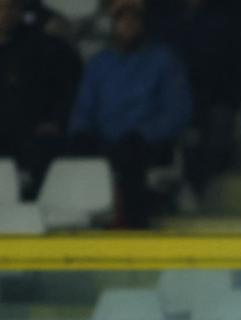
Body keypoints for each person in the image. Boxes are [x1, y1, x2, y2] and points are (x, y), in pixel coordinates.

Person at [68, 0, 192, 228]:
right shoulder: (98, 64)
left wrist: (144, 134)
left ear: (143, 24)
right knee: (74, 152)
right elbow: (83, 109)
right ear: (113, 24)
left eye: (134, 19)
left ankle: (133, 229)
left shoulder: (165, 60)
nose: (128, 25)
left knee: (129, 158)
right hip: (105, 142)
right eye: (122, 19)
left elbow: (177, 112)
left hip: (148, 144)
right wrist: (80, 133)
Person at [149, 0, 241, 198]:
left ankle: (197, 186)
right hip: (170, 102)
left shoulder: (231, 18)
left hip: (215, 100)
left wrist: (229, 99)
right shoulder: (163, 16)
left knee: (215, 130)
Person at [0, 0, 81, 198]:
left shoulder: (43, 46)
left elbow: (66, 86)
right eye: (0, 7)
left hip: (30, 135)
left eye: (11, 7)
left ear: (20, 11)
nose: (5, 13)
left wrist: (57, 120)